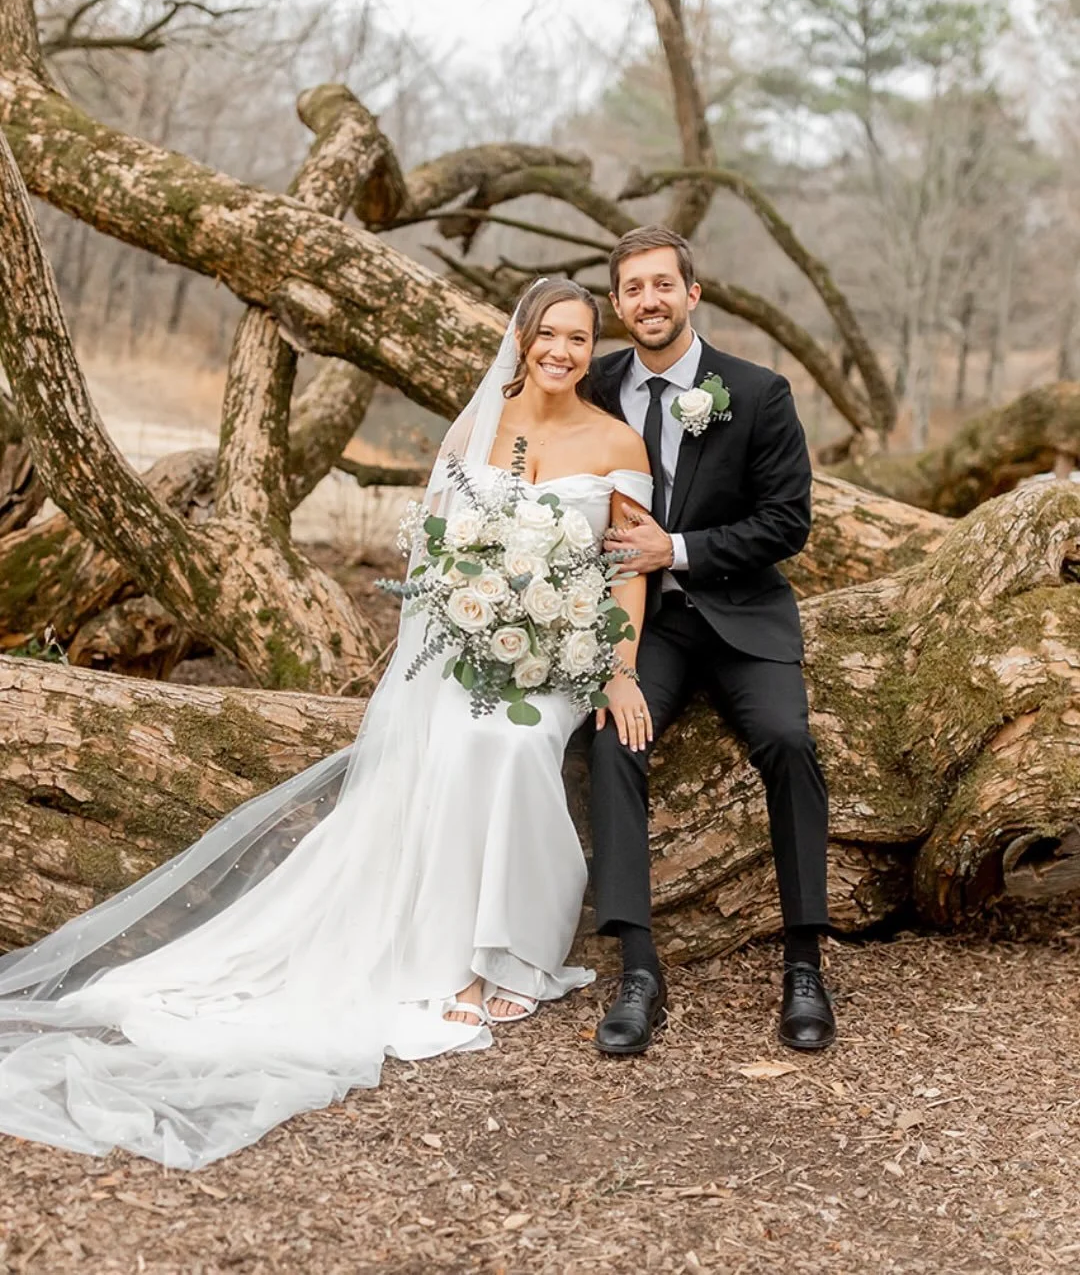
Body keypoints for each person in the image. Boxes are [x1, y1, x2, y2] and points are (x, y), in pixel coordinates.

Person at [0, 279, 653, 1170]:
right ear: (524, 338)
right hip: (471, 649)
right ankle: (452, 957)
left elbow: (627, 569)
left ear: (592, 349)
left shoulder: (617, 441)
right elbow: (435, 558)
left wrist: (614, 668)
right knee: (461, 736)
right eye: (549, 334)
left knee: (512, 741)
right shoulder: (475, 434)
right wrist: (464, 626)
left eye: (579, 338)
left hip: (559, 660)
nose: (562, 352)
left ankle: (510, 953)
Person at [587, 226, 836, 1056]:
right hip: (642, 621)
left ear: (693, 295)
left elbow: (786, 522)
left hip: (740, 611)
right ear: (617, 304)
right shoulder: (593, 386)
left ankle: (804, 963)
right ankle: (637, 970)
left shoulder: (758, 392)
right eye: (632, 289)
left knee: (789, 740)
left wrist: (680, 549)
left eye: (663, 285)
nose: (648, 301)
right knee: (613, 741)